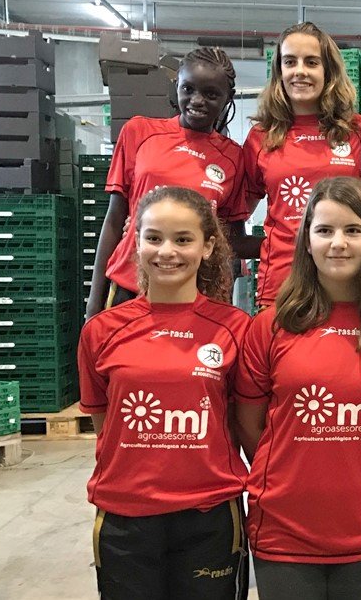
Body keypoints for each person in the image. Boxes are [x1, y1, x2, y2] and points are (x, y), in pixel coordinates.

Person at [233, 177, 361, 600]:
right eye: (325, 230)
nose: (338, 243)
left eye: (353, 230)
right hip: (284, 529)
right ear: (306, 241)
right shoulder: (270, 326)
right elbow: (248, 424)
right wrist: (286, 470)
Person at [78, 186, 250, 599]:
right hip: (126, 515)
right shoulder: (101, 331)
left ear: (207, 247)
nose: (167, 251)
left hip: (209, 513)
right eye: (153, 238)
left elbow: (242, 422)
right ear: (136, 243)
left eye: (183, 239)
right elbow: (105, 423)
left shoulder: (236, 329)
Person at [87, 48, 251, 318]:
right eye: (188, 89)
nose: (197, 101)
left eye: (211, 94)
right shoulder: (139, 132)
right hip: (130, 288)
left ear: (227, 98)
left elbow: (229, 241)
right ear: (177, 86)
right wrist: (93, 304)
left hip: (195, 295)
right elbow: (114, 219)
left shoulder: (233, 157)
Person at [244, 21, 361, 307]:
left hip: (347, 279)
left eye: (311, 62)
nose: (300, 71)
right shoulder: (261, 136)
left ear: (328, 70)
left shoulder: (358, 131)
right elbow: (240, 210)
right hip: (283, 281)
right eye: (290, 62)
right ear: (279, 70)